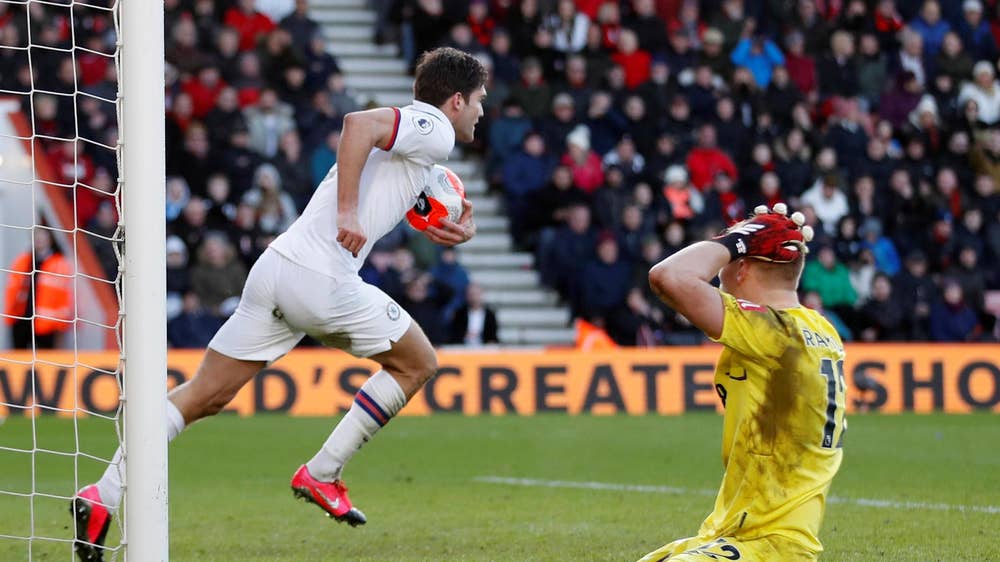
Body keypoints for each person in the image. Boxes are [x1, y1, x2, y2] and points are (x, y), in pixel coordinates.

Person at [71, 47, 487, 561]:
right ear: (456, 99)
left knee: (204, 395)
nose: (481, 113)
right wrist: (350, 211)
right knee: (419, 363)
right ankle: (322, 473)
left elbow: (417, 192)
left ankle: (101, 495)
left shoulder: (420, 150)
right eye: (479, 102)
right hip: (321, 277)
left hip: (277, 269)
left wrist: (456, 229)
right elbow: (357, 124)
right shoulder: (435, 128)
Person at [642, 204, 846, 561]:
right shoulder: (820, 329)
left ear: (743, 267)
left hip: (771, 545)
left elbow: (668, 277)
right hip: (737, 535)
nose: (717, 271)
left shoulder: (773, 330)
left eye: (726, 263)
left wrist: (736, 239)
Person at [3, 227, 74, 349]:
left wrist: (61, 323)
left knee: (44, 362)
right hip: (21, 318)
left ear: (50, 239)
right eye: (36, 236)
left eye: (42, 236)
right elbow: (12, 288)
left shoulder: (59, 263)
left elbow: (64, 295)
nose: (39, 239)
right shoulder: (23, 260)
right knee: (19, 359)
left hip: (46, 324)